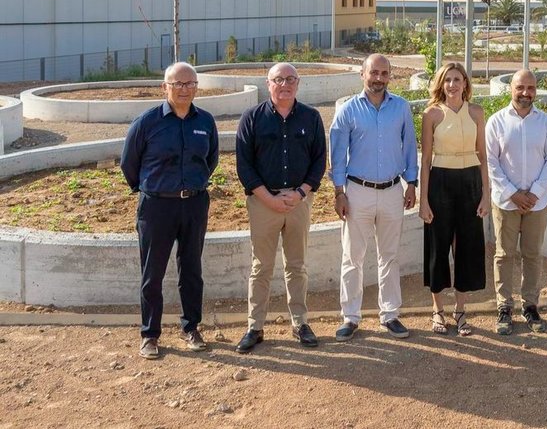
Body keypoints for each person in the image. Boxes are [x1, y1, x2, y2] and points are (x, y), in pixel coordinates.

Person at [121, 61, 218, 360]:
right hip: (156, 207)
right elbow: (129, 164)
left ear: (197, 88)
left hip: (194, 203)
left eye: (190, 84)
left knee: (191, 269)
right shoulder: (146, 122)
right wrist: (153, 190)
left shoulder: (205, 121)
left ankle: (192, 328)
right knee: (153, 273)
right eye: (178, 84)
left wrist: (193, 187)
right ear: (164, 87)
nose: (184, 89)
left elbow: (210, 160)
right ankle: (150, 334)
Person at [234, 63, 327, 353]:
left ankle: (300, 323)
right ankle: (255, 326)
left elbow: (318, 161)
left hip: (298, 202)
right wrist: (269, 199)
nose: (284, 84)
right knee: (261, 267)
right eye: (278, 79)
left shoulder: (311, 118)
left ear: (298, 84)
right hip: (264, 203)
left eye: (290, 79)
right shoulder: (252, 118)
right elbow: (244, 166)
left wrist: (300, 193)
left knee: (297, 266)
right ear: (268, 83)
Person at [329, 53, 418, 341]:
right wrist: (339, 192)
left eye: (384, 73)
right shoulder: (348, 110)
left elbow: (409, 147)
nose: (378, 78)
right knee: (353, 258)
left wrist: (412, 184)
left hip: (393, 191)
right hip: (357, 192)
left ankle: (390, 314)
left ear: (390, 76)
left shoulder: (401, 108)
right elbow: (337, 154)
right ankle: (350, 317)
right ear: (362, 74)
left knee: (389, 256)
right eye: (373, 72)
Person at [486, 70, 547, 335]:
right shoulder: (496, 122)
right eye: (520, 87)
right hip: (506, 203)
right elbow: (491, 162)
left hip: (536, 204)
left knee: (532, 255)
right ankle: (504, 307)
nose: (526, 93)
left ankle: (530, 306)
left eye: (530, 88)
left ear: (536, 90)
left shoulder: (546, 123)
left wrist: (536, 192)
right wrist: (512, 193)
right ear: (511, 89)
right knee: (504, 255)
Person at [420, 62, 490, 336]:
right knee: (438, 247)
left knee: (469, 247)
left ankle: (461, 311)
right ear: (441, 83)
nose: (452, 85)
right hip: (440, 182)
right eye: (447, 79)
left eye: (457, 79)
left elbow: (483, 156)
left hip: (470, 181)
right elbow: (426, 160)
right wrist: (424, 200)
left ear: (465, 83)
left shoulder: (476, 112)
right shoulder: (432, 114)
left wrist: (486, 193)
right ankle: (437, 311)